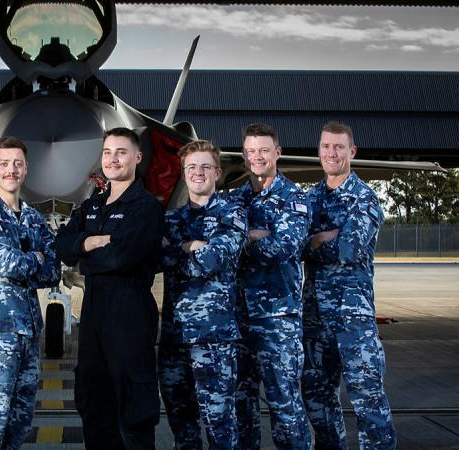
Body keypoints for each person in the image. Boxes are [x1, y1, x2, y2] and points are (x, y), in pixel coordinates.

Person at [56, 127, 164, 450]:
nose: (113, 159)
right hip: (93, 317)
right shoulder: (92, 205)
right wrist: (89, 241)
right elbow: (61, 245)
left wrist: (83, 256)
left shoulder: (145, 207)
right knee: (94, 403)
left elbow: (120, 256)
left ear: (137, 157)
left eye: (121, 152)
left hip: (129, 314)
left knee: (133, 409)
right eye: (107, 152)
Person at [302, 121, 396, 449]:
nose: (332, 153)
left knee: (369, 403)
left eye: (339, 147)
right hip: (316, 320)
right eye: (326, 146)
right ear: (319, 151)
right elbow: (295, 246)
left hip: (353, 321)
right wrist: (324, 237)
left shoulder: (364, 198)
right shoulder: (310, 199)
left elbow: (349, 249)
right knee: (317, 401)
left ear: (351, 152)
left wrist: (317, 242)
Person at [0, 136, 60, 449]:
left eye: (17, 163)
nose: (11, 170)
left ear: (26, 168)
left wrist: (32, 262)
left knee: (19, 420)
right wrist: (37, 258)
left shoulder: (32, 217)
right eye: (4, 163)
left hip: (29, 331)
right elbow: (5, 263)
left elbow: (53, 271)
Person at [158, 140, 247, 449]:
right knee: (182, 427)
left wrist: (178, 251)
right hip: (174, 340)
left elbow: (213, 259)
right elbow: (159, 259)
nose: (198, 173)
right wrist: (190, 247)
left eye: (205, 166)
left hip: (215, 340)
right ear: (184, 174)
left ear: (218, 173)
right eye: (191, 167)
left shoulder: (232, 214)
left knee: (220, 426)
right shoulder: (170, 220)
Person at [229, 123, 312, 450]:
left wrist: (241, 238)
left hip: (277, 319)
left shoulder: (294, 197)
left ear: (277, 152)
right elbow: (219, 241)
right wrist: (258, 234)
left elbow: (283, 248)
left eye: (264, 150)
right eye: (251, 151)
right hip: (237, 319)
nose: (257, 157)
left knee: (285, 406)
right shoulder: (235, 198)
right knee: (241, 405)